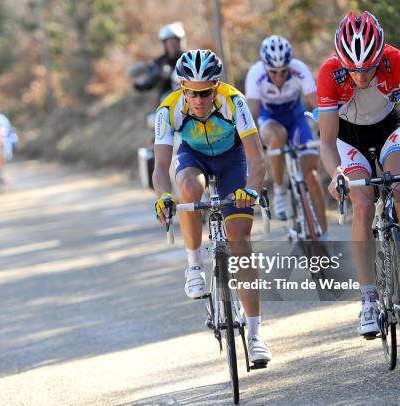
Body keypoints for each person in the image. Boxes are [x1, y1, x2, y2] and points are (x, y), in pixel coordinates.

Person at [317, 11, 400, 336]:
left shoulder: (395, 61)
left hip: (389, 128)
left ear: (380, 56)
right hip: (349, 139)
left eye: (369, 68)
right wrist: (336, 174)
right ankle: (369, 299)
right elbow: (328, 141)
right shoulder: (330, 73)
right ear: (342, 61)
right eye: (354, 69)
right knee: (362, 205)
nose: (361, 76)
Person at [153, 49, 271, 363]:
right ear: (182, 88)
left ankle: (256, 334)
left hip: (233, 160)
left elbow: (258, 160)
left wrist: (250, 190)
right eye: (192, 92)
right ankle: (193, 266)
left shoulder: (235, 102)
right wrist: (164, 196)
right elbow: (161, 166)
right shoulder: (168, 110)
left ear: (216, 87)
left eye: (206, 92)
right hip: (194, 158)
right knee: (189, 190)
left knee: (240, 239)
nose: (199, 99)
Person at [245, 35, 327, 234]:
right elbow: (252, 116)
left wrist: (324, 127)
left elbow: (318, 105)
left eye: (284, 71)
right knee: (277, 136)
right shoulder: (255, 74)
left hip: (295, 118)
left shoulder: (299, 69)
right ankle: (280, 189)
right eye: (274, 72)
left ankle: (324, 235)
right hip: (269, 119)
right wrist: (256, 147)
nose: (279, 77)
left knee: (312, 177)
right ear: (265, 66)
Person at [133, 22, 185, 101]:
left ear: (179, 41)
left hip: (187, 94)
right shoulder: (159, 62)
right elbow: (151, 80)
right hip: (166, 98)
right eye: (168, 41)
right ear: (164, 43)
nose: (171, 44)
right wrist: (141, 85)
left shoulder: (188, 58)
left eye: (174, 41)